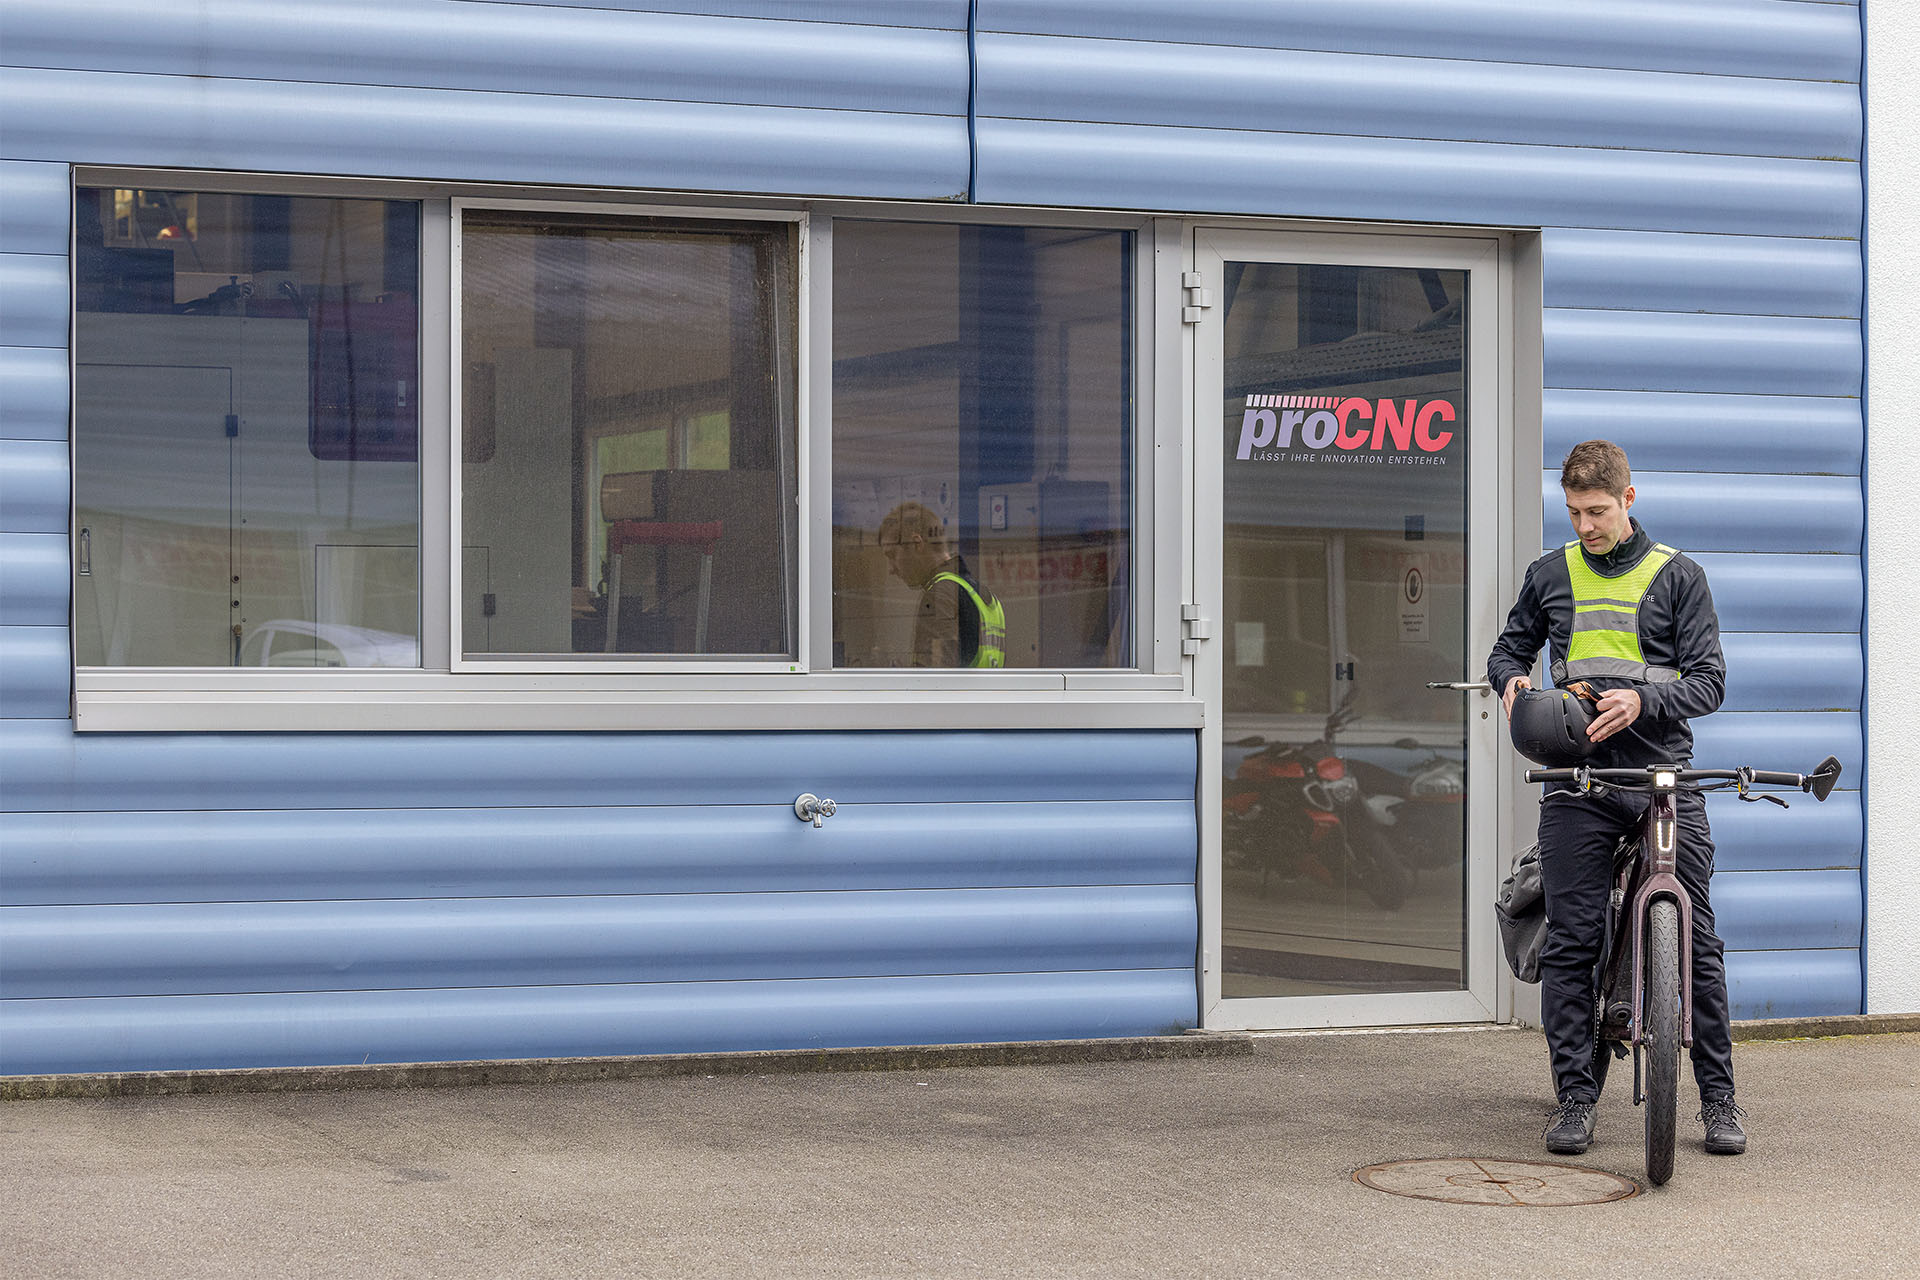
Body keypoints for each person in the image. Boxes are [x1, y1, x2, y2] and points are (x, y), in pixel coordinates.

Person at [1486, 440, 1745, 1158]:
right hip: (1581, 782)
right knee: (1571, 942)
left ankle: (1718, 1101)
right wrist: (1510, 683)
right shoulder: (1550, 574)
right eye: (1573, 512)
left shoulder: (1678, 577)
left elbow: (1710, 682)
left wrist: (1645, 700)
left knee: (1700, 942)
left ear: (1628, 501)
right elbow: (1508, 651)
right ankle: (1575, 1099)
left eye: (1597, 511)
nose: (1585, 526)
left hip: (1663, 780)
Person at [877, 501, 1006, 668]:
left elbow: (934, 683)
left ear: (917, 544)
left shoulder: (940, 595)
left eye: (892, 554)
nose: (891, 569)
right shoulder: (983, 595)